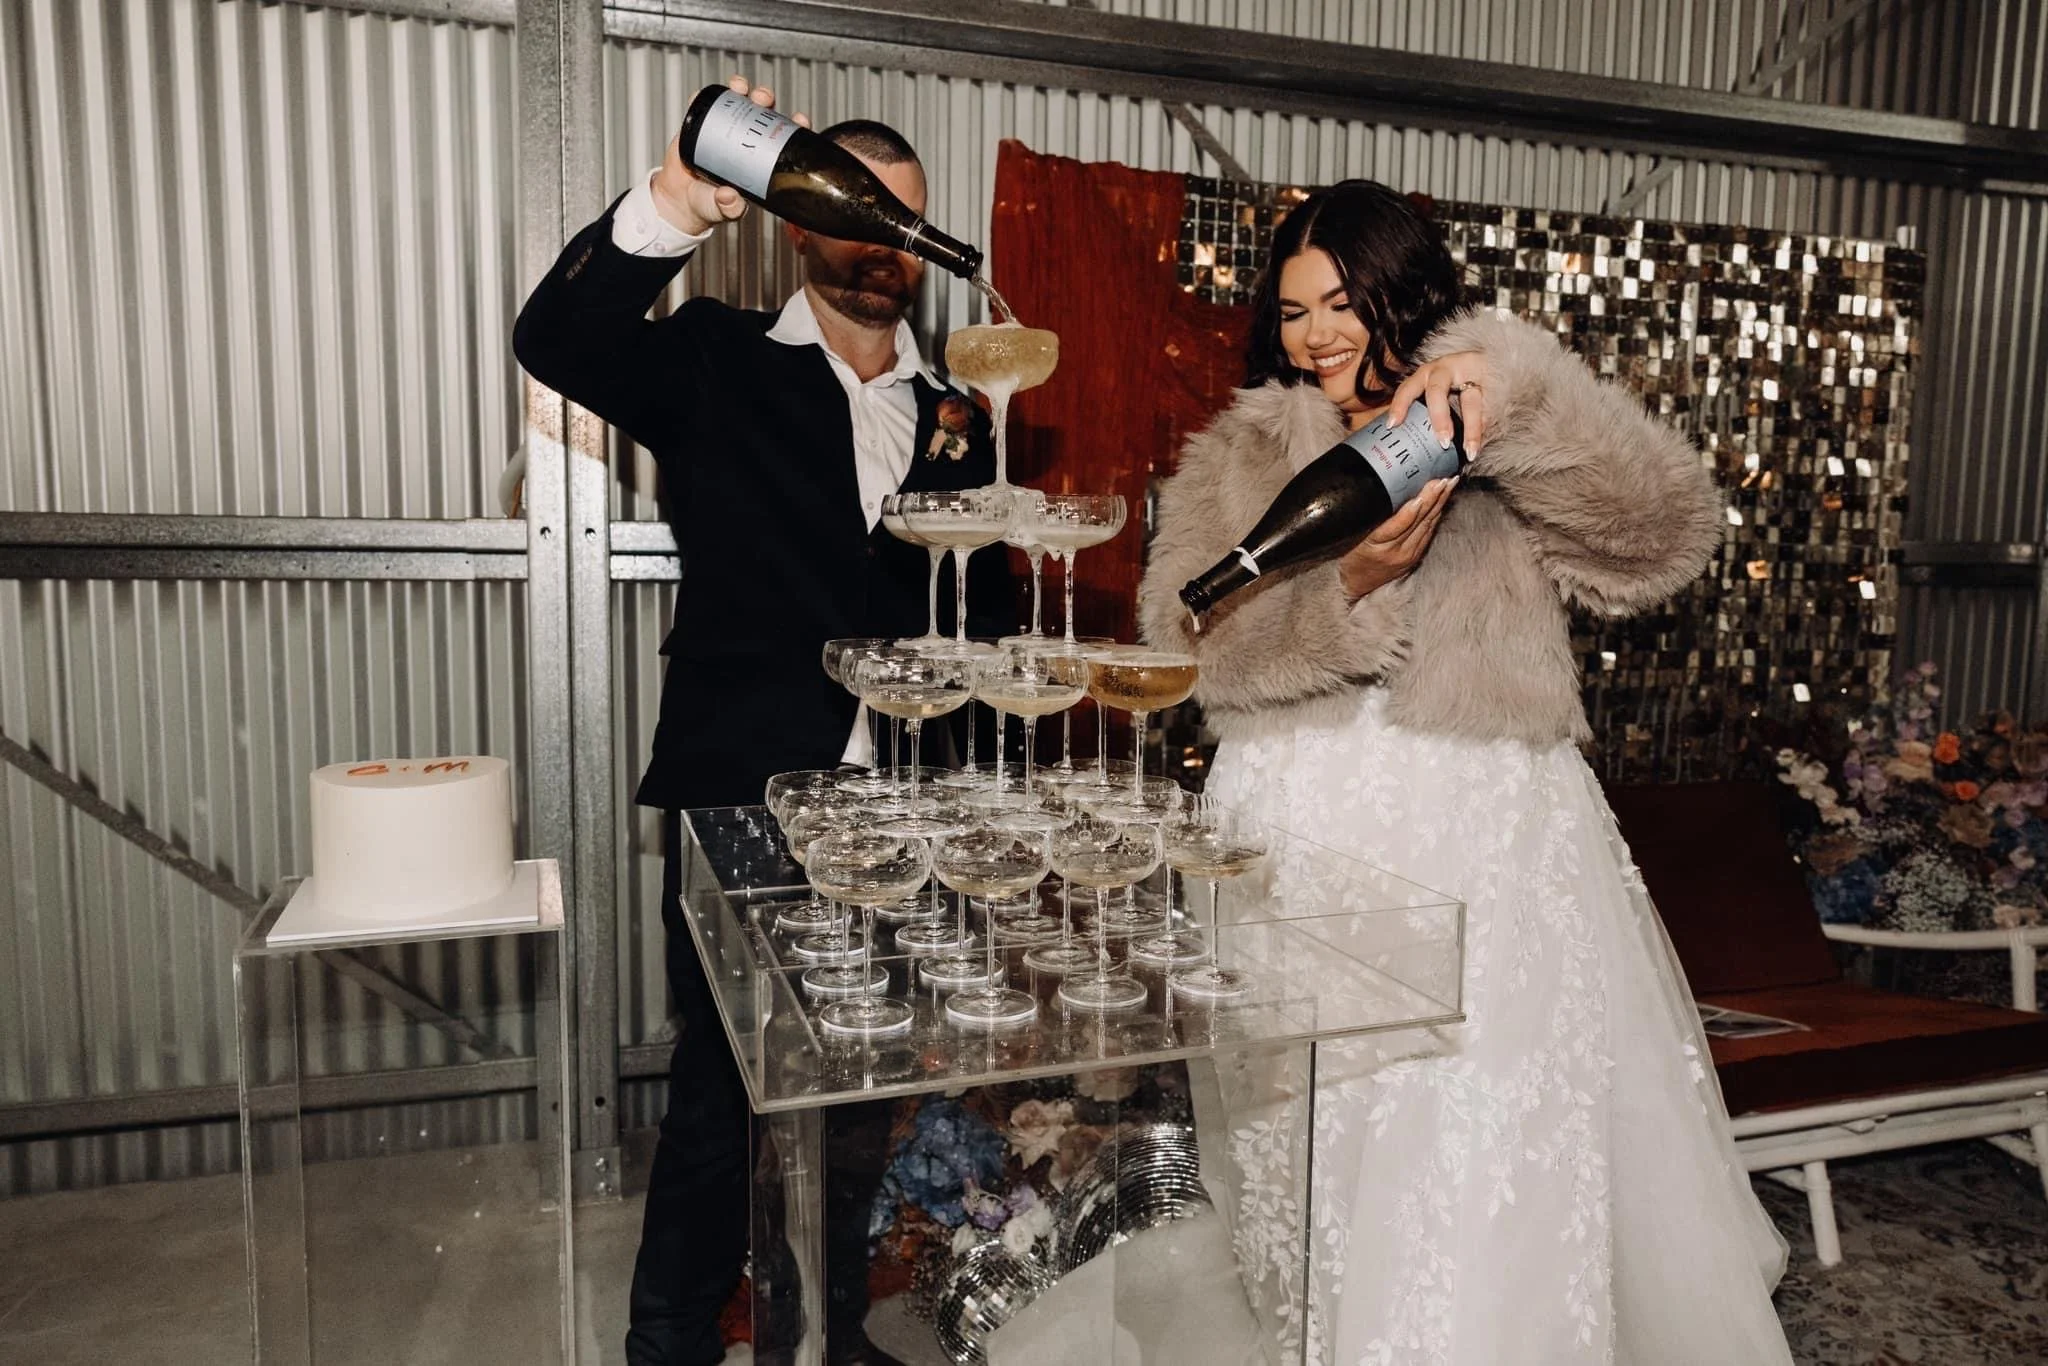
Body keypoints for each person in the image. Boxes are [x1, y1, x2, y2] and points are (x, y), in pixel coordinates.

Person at [1138, 180, 1794, 1363]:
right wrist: (1346, 590)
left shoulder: (1479, 419)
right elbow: (1184, 647)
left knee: (1486, 1105)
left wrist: (1519, 392)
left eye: (1343, 303)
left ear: (1404, 294)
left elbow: (1662, 537)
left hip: (1486, 824)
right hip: (1297, 826)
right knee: (1322, 1120)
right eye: (1292, 311)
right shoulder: (1238, 451)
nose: (1317, 334)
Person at [514, 78, 1009, 1366]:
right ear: (800, 223)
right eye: (859, 216)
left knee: (862, 1087)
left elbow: (984, 610)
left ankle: (829, 1332)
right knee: (723, 1091)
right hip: (744, 787)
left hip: (901, 800)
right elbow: (555, 336)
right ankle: (668, 1341)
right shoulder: (715, 357)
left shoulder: (959, 411)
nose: (883, 245)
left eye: (904, 223)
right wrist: (678, 202)